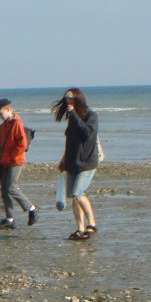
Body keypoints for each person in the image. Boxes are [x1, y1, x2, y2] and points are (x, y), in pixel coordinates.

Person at [52, 88, 100, 241]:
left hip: (87, 163)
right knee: (74, 197)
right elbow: (70, 142)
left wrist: (73, 115)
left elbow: (86, 133)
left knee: (77, 193)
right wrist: (63, 160)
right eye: (66, 100)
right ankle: (79, 228)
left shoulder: (91, 116)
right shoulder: (72, 118)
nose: (68, 103)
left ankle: (91, 224)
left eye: (71, 100)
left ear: (78, 100)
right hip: (72, 163)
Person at [0, 99, 39, 230]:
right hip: (4, 161)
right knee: (4, 189)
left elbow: (22, 144)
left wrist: (11, 156)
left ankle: (32, 208)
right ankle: (9, 219)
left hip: (16, 161)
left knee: (11, 187)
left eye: (1, 113)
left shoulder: (17, 123)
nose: (0, 116)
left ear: (8, 110)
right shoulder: (2, 126)